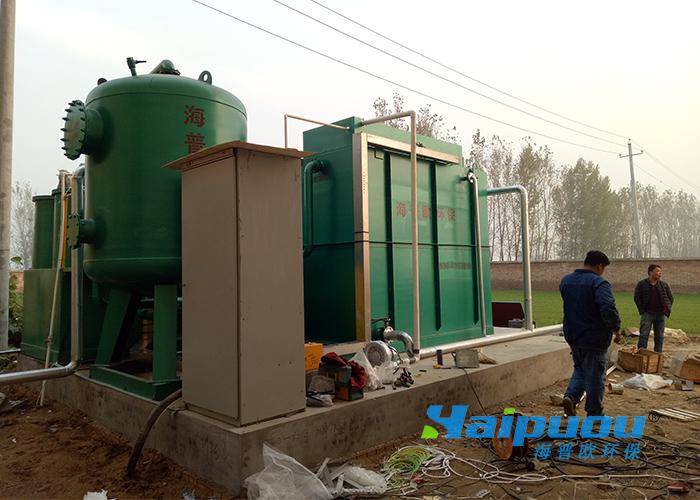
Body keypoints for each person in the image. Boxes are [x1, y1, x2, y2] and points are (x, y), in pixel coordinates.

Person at [560, 250, 621, 417]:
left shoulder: (566, 281)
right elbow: (608, 306)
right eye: (603, 268)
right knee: (595, 376)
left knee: (580, 368)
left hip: (573, 334)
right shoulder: (599, 283)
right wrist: (615, 328)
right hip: (594, 337)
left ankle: (571, 397)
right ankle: (595, 414)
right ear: (599, 266)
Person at [634, 264, 673, 353]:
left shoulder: (664, 285)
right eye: (658, 271)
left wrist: (666, 308)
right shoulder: (642, 284)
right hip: (647, 314)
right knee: (644, 335)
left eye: (660, 272)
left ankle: (658, 355)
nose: (660, 274)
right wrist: (642, 310)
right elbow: (637, 298)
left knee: (659, 336)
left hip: (660, 314)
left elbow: (670, 298)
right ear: (650, 272)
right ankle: (641, 353)